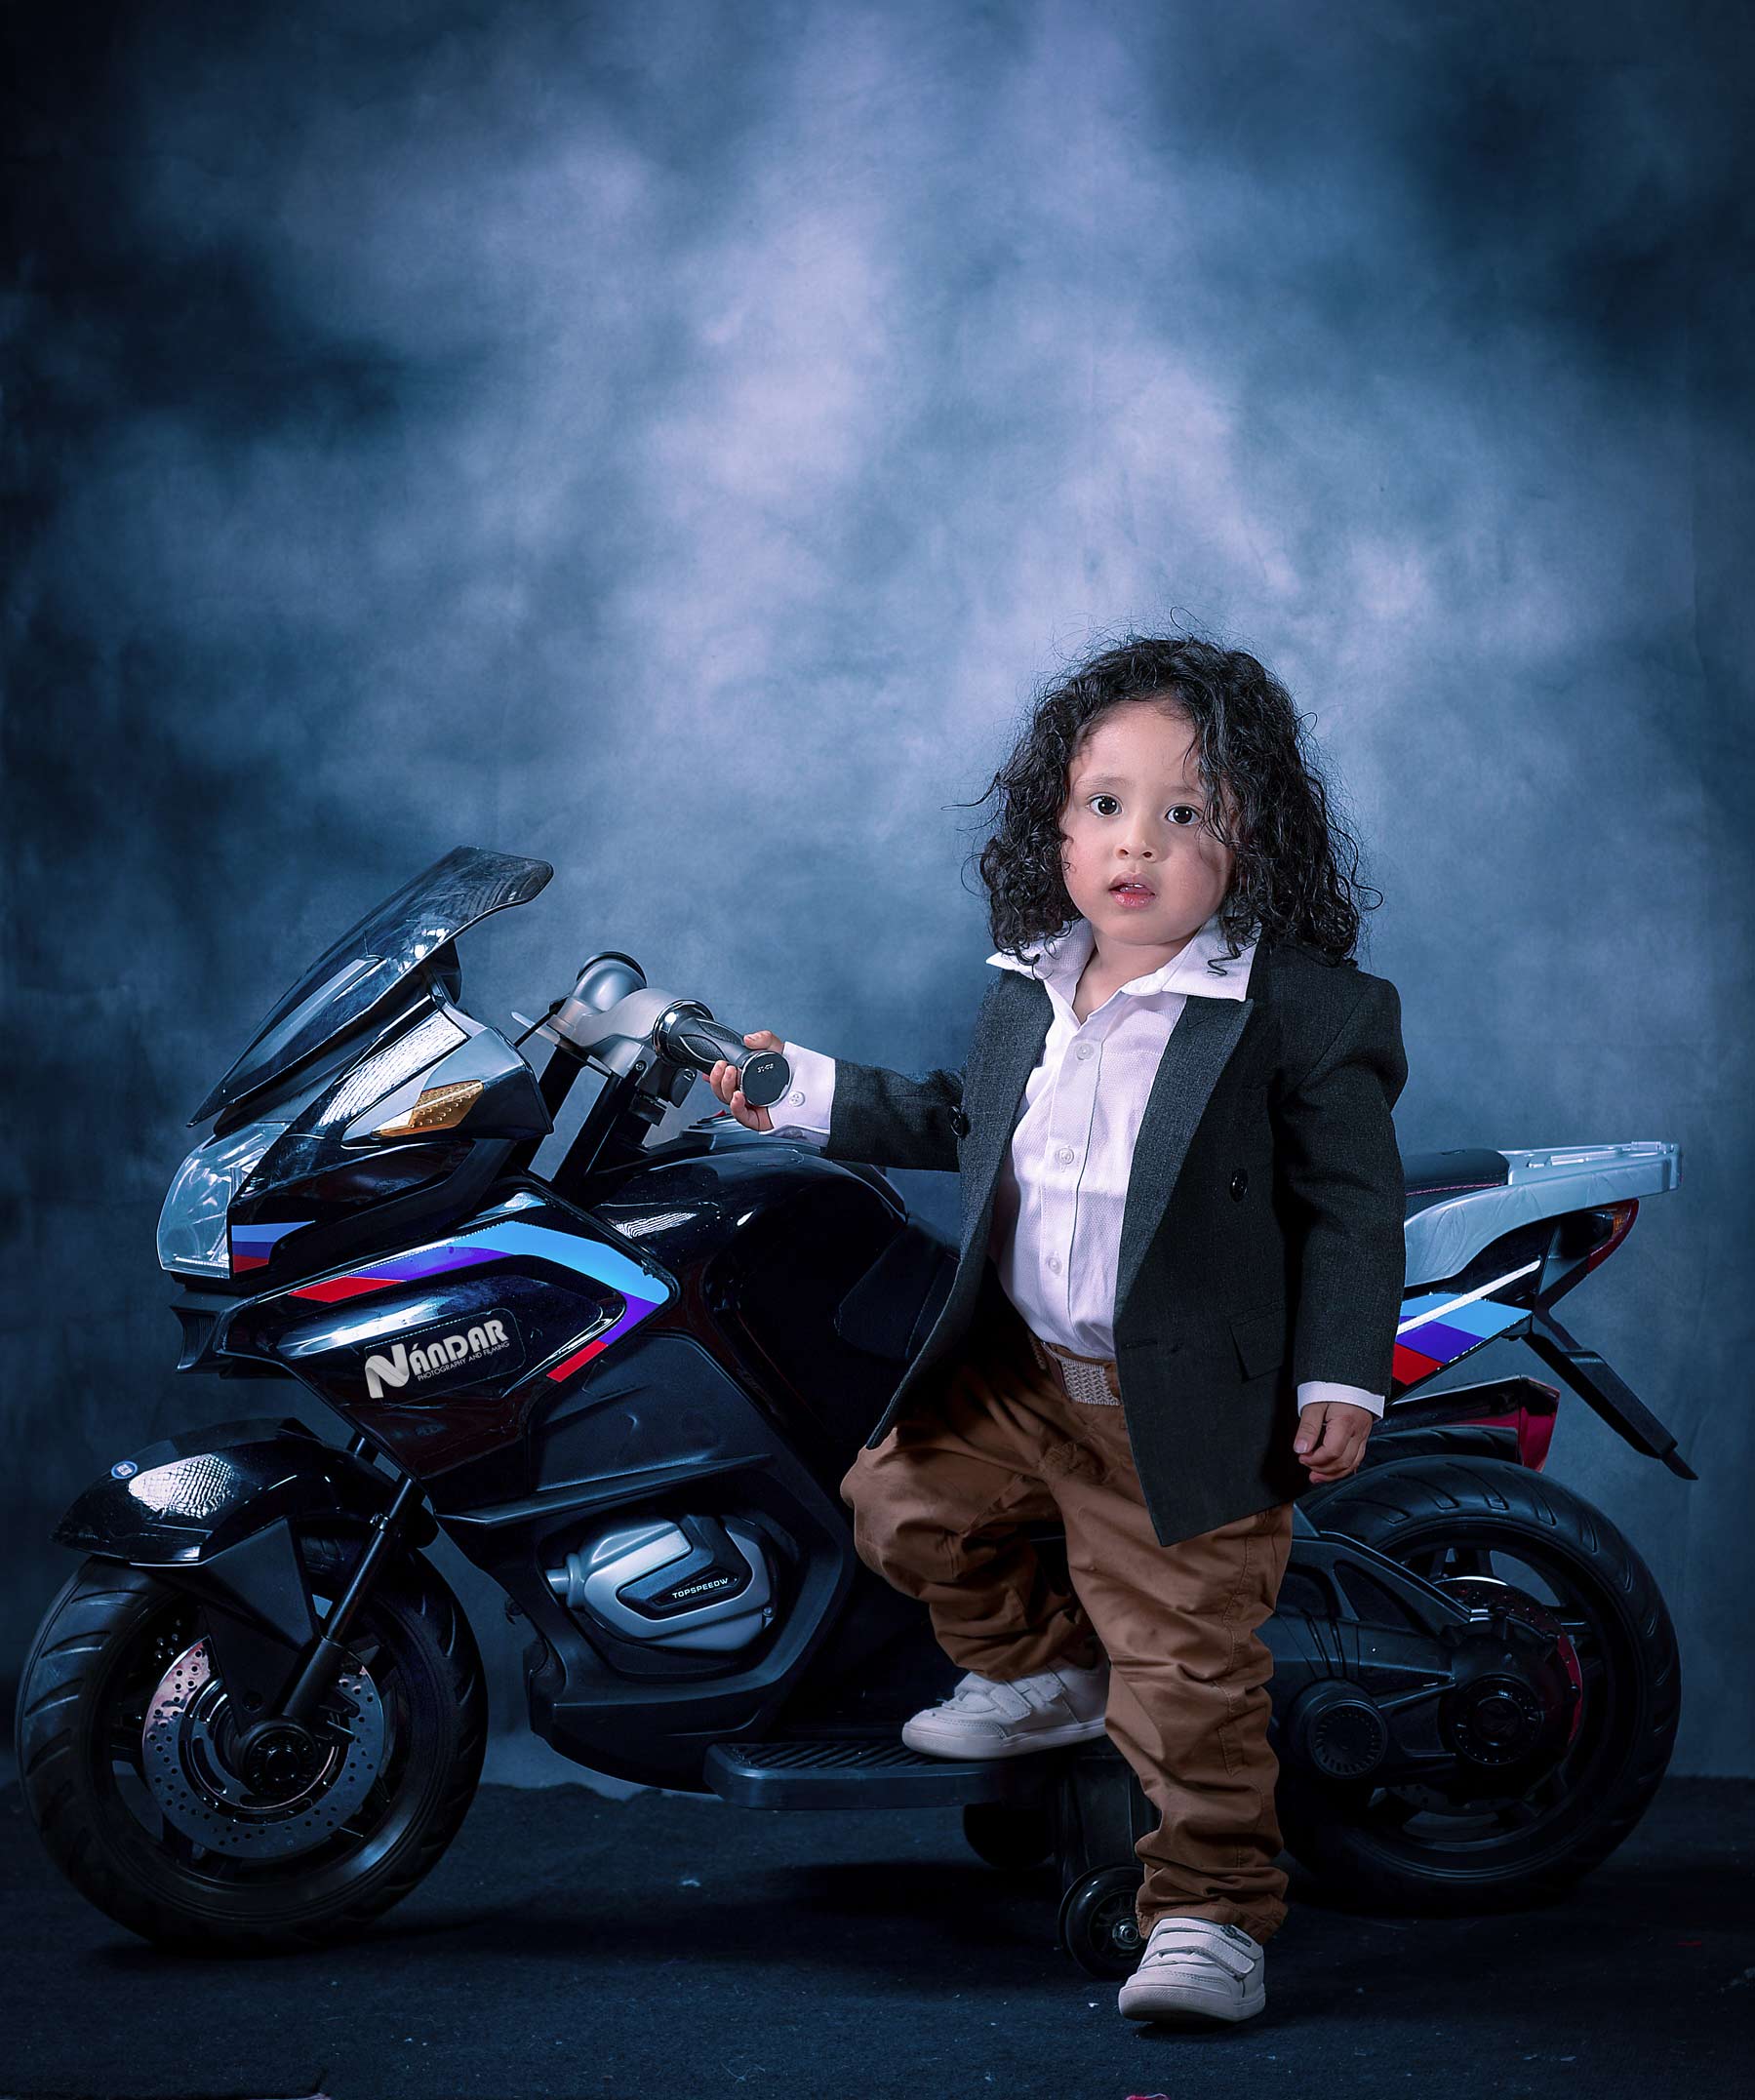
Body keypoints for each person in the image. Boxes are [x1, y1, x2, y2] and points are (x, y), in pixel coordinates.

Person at [707, 631, 1408, 2027]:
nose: (1134, 843)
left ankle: (1211, 1915)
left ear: (1251, 835)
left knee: (1190, 1678)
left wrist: (1343, 1368)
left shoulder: (1296, 1010)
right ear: (1057, 822)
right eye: (1104, 803)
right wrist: (802, 1093)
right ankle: (1041, 1670)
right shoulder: (1033, 983)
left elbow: (1351, 1204)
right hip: (1026, 1376)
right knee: (898, 1502)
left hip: (1182, 1402)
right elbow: (964, 1127)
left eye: (1184, 810)